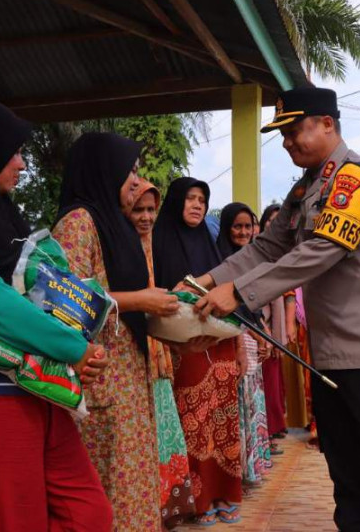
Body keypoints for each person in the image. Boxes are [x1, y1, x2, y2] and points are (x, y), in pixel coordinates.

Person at [186, 87, 360, 531]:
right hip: (329, 358)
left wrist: (239, 293)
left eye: (294, 131)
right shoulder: (305, 190)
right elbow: (263, 248)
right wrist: (204, 281)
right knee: (349, 479)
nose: (287, 143)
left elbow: (323, 250)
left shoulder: (357, 177)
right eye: (282, 135)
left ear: (327, 124)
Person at [0, 97, 111, 531]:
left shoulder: (6, 224)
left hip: (38, 386)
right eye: (13, 152)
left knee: (89, 514)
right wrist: (74, 347)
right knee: (9, 521)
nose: (23, 164)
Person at [53, 132, 179, 531]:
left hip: (128, 380)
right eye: (130, 171)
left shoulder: (117, 226)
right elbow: (64, 303)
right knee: (110, 491)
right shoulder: (78, 223)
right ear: (103, 172)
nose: (136, 182)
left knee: (135, 486)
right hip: (103, 382)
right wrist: (140, 300)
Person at [153, 178, 244, 526]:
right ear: (177, 202)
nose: (196, 205)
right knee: (193, 424)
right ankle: (200, 500)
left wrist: (238, 348)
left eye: (202, 200)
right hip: (183, 347)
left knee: (222, 422)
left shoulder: (212, 246)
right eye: (190, 199)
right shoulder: (159, 243)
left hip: (218, 346)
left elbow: (230, 301)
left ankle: (226, 493)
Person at [124, 179, 197, 528]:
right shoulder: (118, 247)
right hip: (132, 352)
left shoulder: (158, 244)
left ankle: (167, 506)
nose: (146, 217)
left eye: (152, 209)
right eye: (138, 209)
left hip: (159, 349)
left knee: (164, 423)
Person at [217, 202, 272, 486]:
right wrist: (254, 334)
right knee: (241, 405)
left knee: (253, 401)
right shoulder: (222, 261)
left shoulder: (252, 260)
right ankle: (241, 471)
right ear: (227, 228)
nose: (243, 232)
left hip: (253, 337)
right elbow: (231, 307)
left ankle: (254, 466)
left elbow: (255, 304)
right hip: (236, 338)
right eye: (237, 226)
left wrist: (264, 332)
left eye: (248, 226)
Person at [258, 205, 289, 443]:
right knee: (266, 381)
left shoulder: (281, 253)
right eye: (270, 220)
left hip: (275, 328)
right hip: (262, 325)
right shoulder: (259, 253)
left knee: (275, 380)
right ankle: (267, 431)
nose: (274, 225)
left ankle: (275, 425)